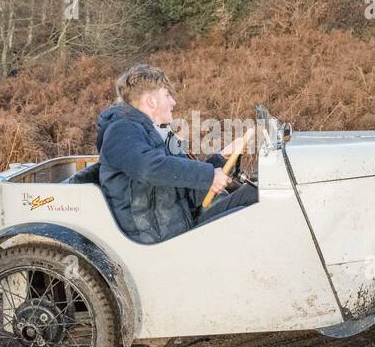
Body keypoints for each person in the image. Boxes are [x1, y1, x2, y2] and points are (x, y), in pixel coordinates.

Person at [96, 63, 257, 244]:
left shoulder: (149, 133)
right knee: (249, 217)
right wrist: (209, 175)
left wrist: (221, 158)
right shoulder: (121, 130)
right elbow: (150, 168)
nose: (173, 102)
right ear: (151, 101)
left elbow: (180, 188)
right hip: (162, 242)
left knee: (256, 194)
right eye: (167, 95)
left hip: (179, 227)